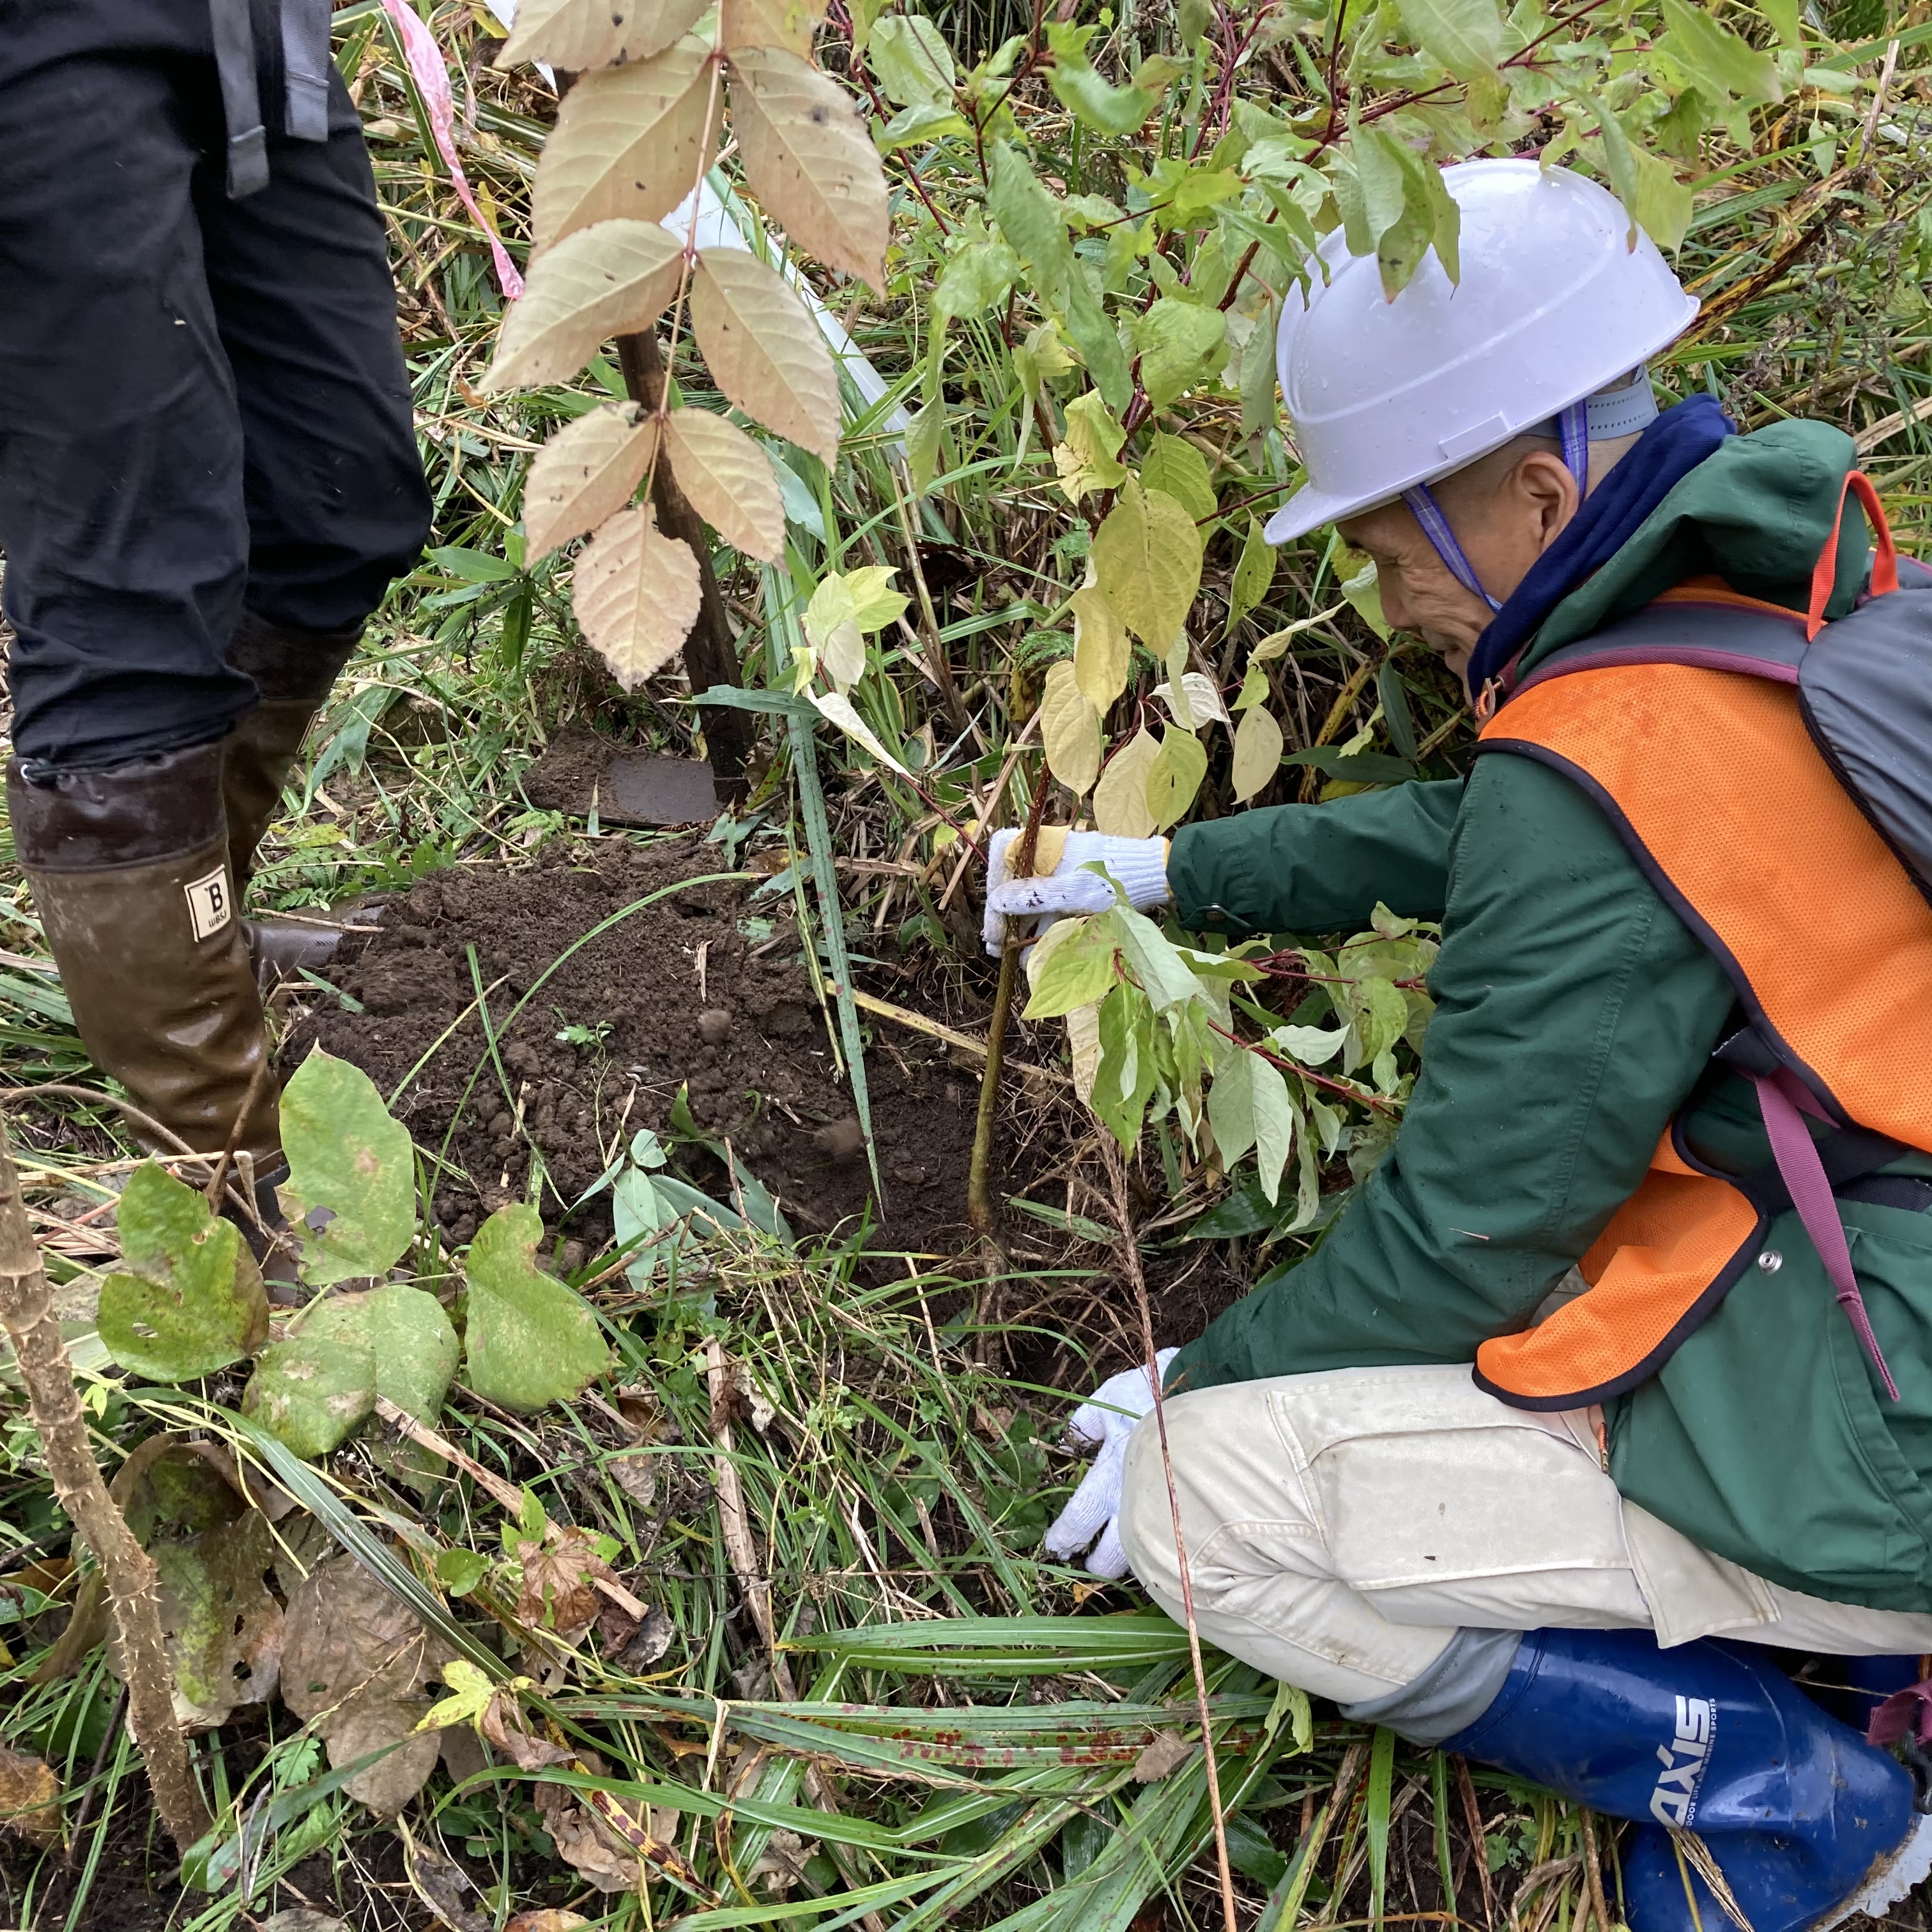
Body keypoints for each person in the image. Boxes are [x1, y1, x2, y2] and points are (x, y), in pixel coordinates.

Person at [985, 158, 1932, 1932]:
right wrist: (1167, 871)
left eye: (1378, 535)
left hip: (1895, 1432)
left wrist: (1201, 1383)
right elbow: (1498, 826)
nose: (1373, 589)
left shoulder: (1624, 743)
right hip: (1886, 1292)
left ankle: (1803, 1806)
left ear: (1534, 488)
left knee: (1209, 1513)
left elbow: (1470, 1239)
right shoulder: (1767, 615)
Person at [0, 0, 432, 1179]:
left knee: (340, 503)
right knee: (133, 582)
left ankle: (190, 925)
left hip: (244, 22)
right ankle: (217, 1179)